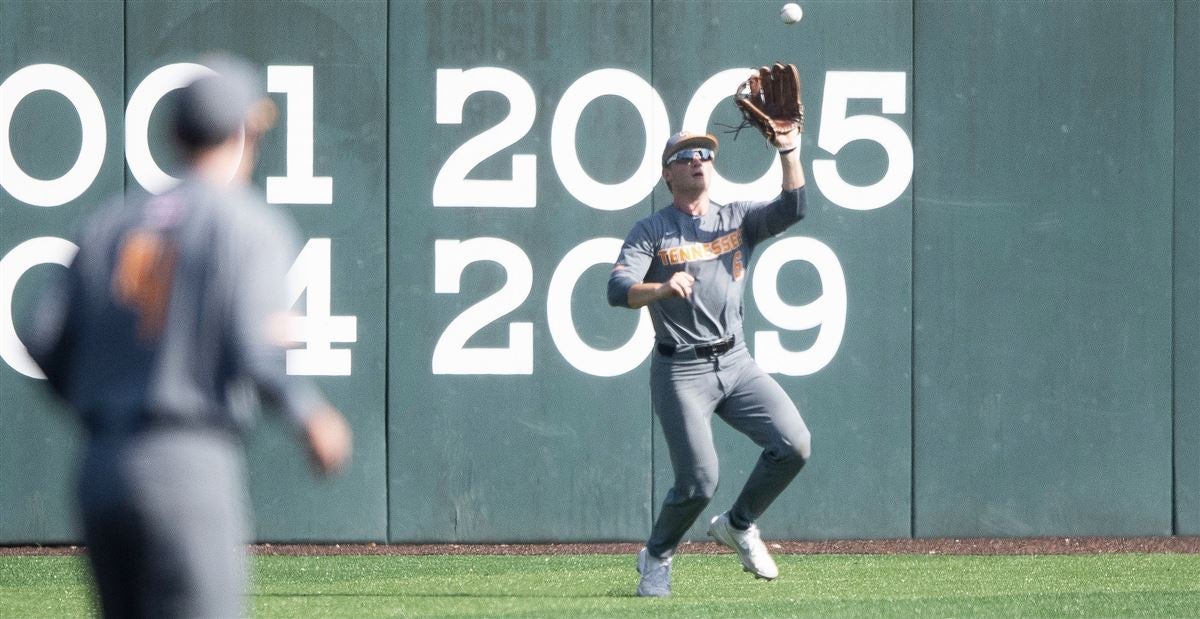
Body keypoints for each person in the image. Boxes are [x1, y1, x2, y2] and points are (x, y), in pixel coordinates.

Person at [20, 55, 352, 618]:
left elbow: (42, 336)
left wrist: (104, 408)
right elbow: (256, 345)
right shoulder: (244, 224)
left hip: (103, 468)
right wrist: (309, 412)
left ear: (174, 134)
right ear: (249, 134)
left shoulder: (111, 222)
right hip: (187, 464)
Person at [607, 127, 812, 597]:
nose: (699, 160)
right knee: (699, 481)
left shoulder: (737, 218)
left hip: (736, 361)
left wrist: (789, 151)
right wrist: (659, 288)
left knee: (794, 444)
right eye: (686, 156)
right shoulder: (651, 231)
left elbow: (794, 207)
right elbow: (617, 290)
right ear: (668, 174)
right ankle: (657, 555)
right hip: (681, 369)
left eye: (705, 154)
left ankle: (739, 525)